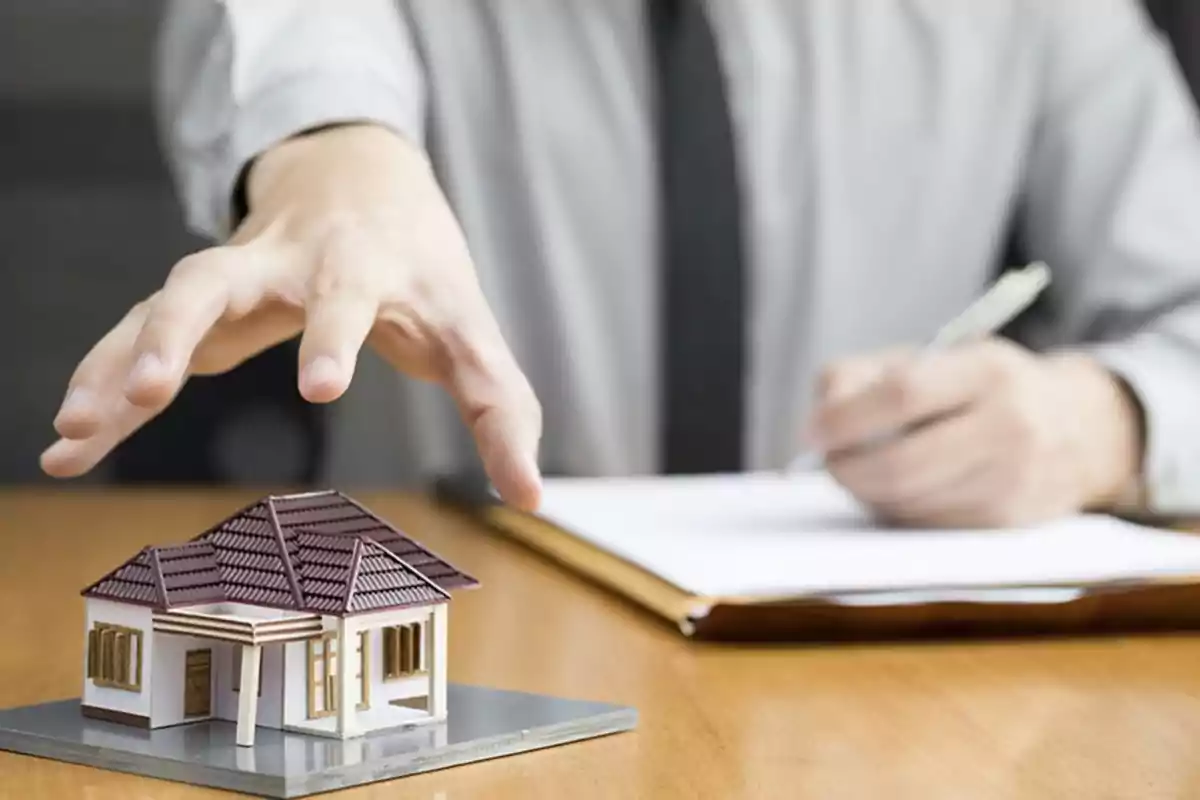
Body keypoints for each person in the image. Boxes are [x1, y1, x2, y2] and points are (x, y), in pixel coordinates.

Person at [39, 0, 1200, 527]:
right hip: (473, 641)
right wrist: (330, 163)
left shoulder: (1051, 21)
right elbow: (282, 35)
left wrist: (1105, 421)